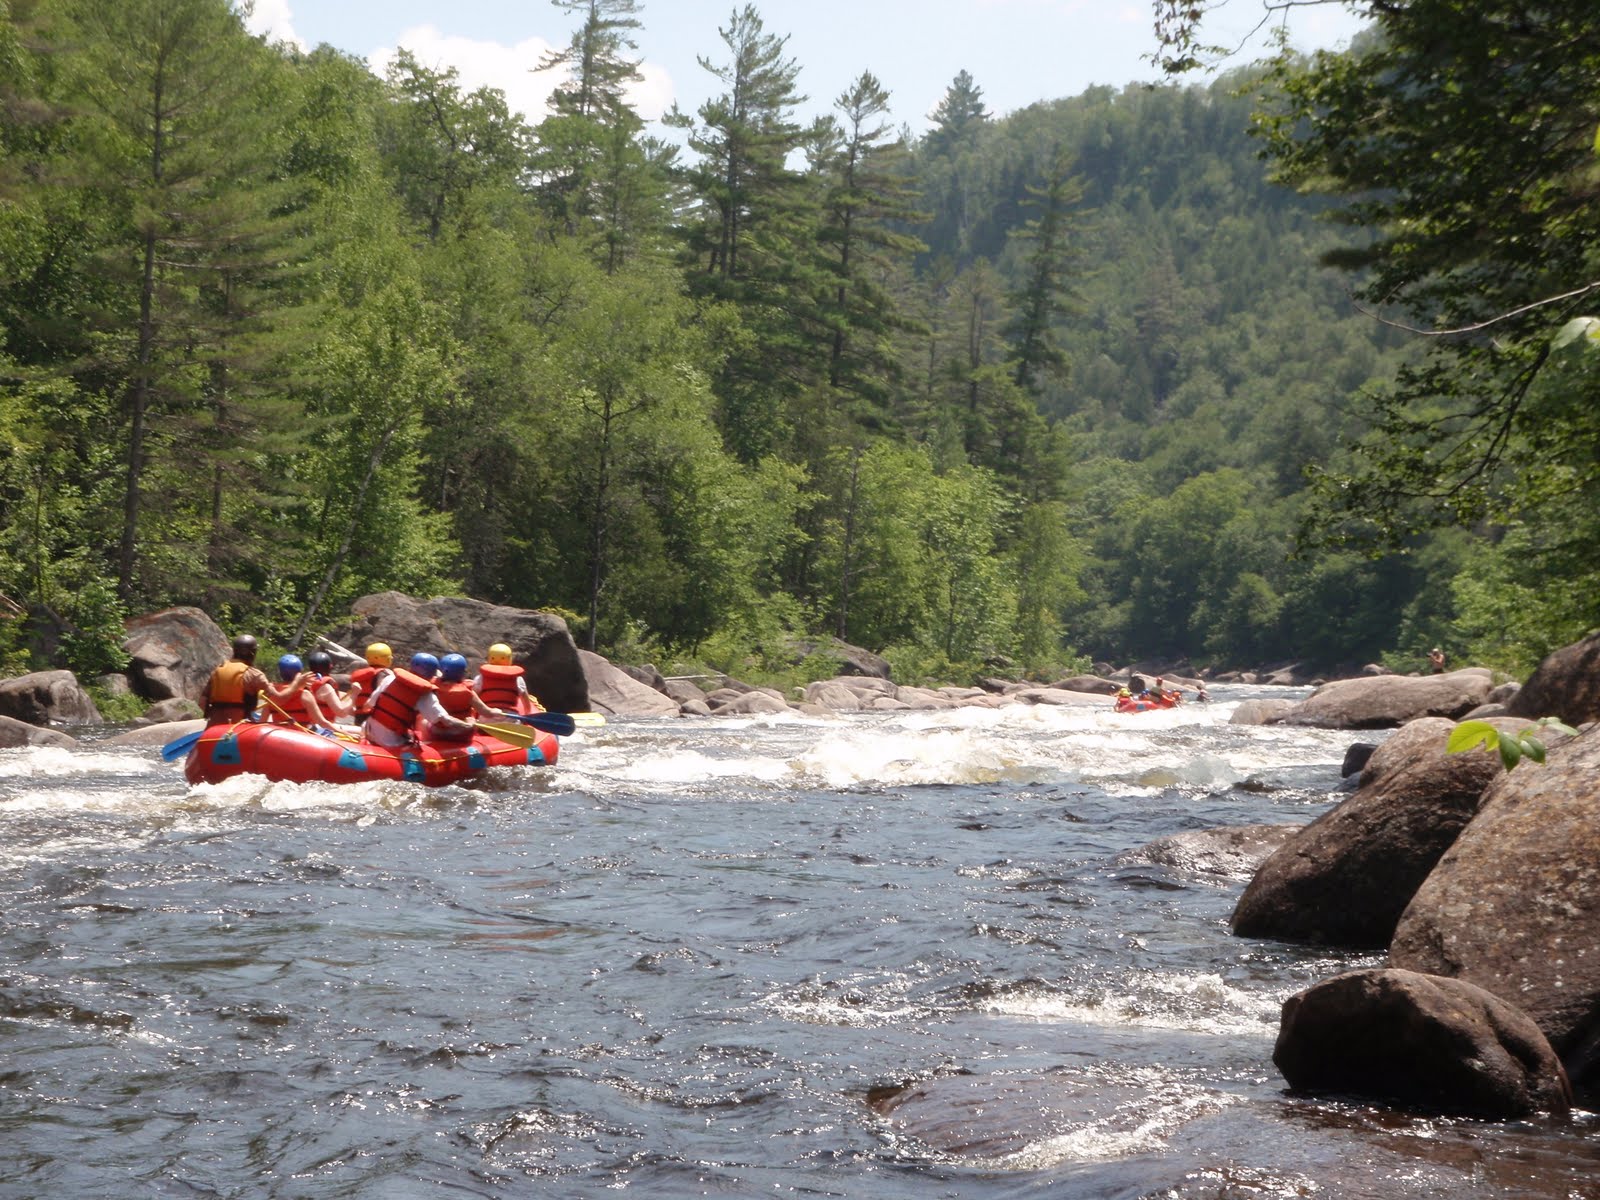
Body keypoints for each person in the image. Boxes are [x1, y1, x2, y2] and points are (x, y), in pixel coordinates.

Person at [362, 650, 476, 748]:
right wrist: (468, 725)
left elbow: (368, 705)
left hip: (369, 731)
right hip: (391, 742)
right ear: (431, 674)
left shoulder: (390, 678)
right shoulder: (425, 695)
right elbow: (446, 720)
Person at [202, 634, 269, 725]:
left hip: (214, 724)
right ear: (253, 653)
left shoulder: (218, 671)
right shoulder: (254, 674)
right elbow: (278, 698)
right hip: (240, 723)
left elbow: (202, 702)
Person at [260, 654, 333, 732]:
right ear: (299, 673)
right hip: (300, 737)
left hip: (278, 736)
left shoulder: (272, 694)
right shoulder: (305, 694)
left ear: (280, 673)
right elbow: (322, 722)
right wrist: (343, 732)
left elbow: (262, 722)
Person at [472, 642, 544, 714]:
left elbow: (473, 698)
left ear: (490, 658)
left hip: (486, 717)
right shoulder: (517, 679)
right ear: (509, 659)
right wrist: (527, 715)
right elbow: (526, 702)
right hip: (510, 717)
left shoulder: (480, 678)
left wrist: (473, 715)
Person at [437, 652, 508, 721]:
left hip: (439, 729)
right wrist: (495, 711)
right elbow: (486, 712)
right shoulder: (468, 693)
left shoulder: (434, 688)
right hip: (463, 728)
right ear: (463, 673)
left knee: (425, 722)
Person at [348, 642, 395, 724]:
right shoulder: (384, 674)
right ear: (386, 658)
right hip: (374, 716)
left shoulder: (363, 674)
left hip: (359, 717)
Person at [305, 649, 357, 721]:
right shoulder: (325, 687)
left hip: (306, 724)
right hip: (320, 728)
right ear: (330, 667)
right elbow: (341, 712)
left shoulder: (304, 682)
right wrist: (354, 694)